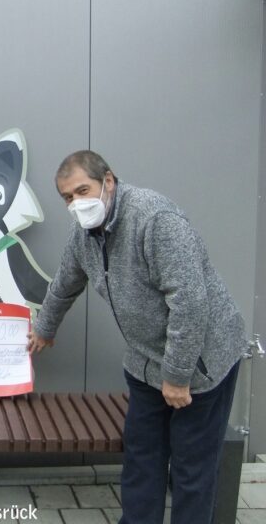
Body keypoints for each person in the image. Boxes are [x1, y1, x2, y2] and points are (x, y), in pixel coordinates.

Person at [26, 150, 247, 524]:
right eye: (68, 197)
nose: (77, 203)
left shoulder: (156, 220)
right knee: (142, 459)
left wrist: (177, 376)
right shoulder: (83, 234)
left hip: (200, 365)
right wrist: (45, 329)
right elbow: (65, 283)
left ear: (108, 181)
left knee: (192, 469)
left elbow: (191, 303)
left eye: (83, 190)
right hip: (144, 364)